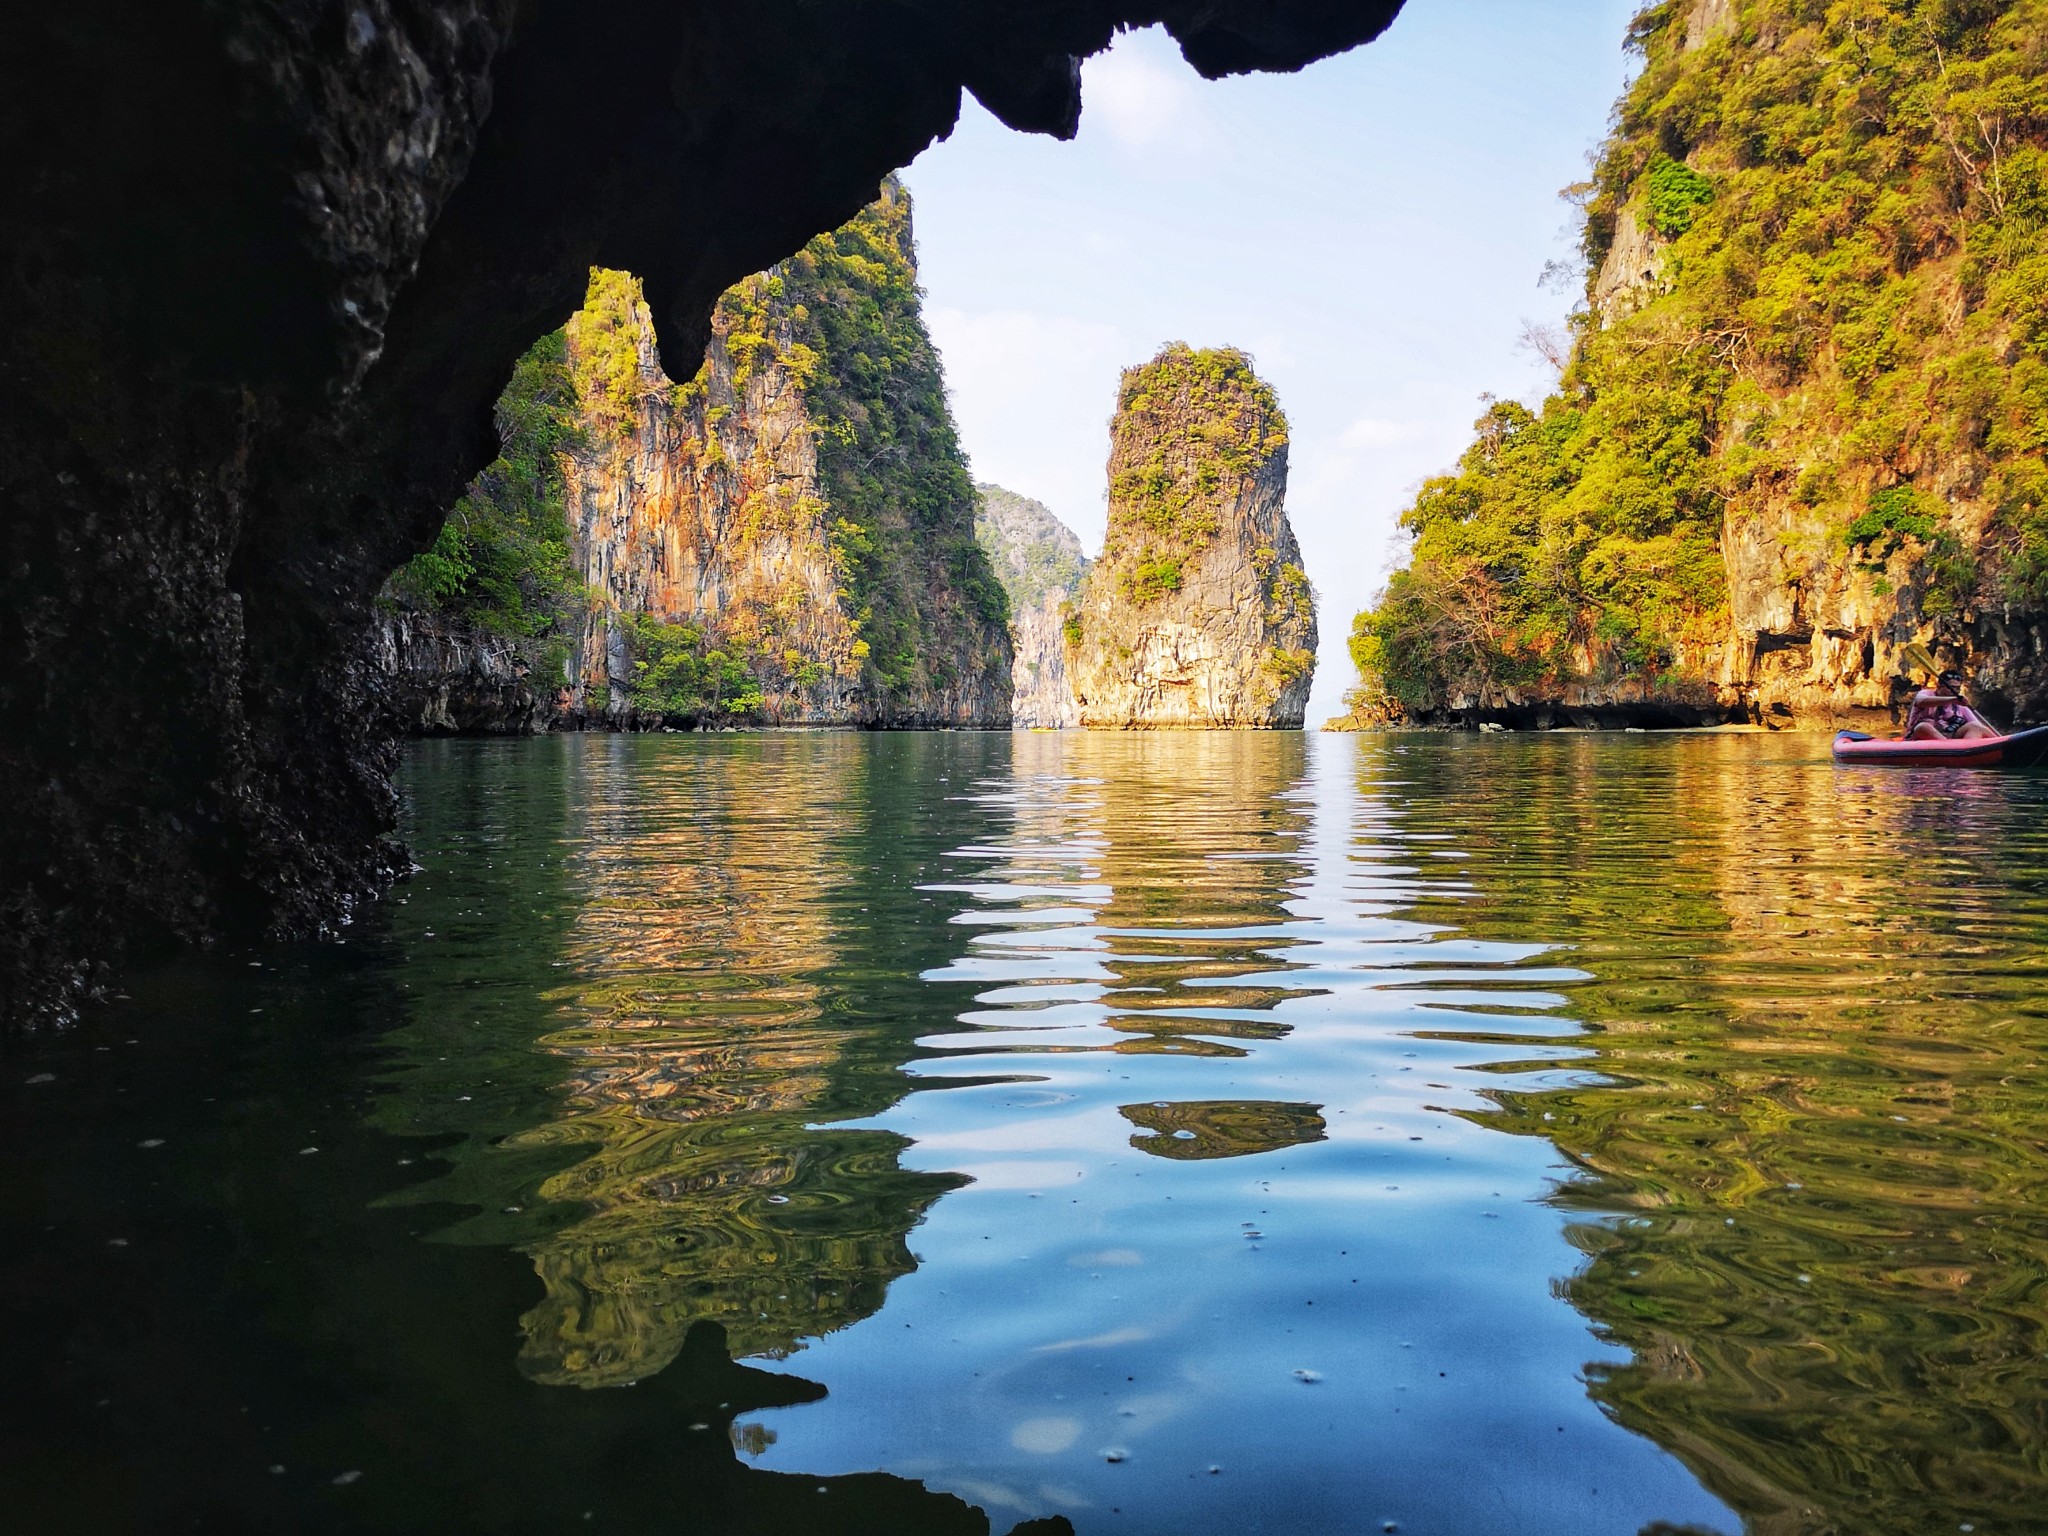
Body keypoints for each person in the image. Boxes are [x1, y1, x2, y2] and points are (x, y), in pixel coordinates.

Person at [1903, 670, 1998, 740]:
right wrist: (1952, 700)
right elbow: (1921, 702)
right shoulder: (1926, 694)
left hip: (1950, 737)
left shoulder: (1960, 706)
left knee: (1975, 727)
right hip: (1921, 736)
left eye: (1957, 688)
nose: (1955, 691)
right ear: (1939, 687)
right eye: (1951, 688)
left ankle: (1999, 747)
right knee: (1923, 726)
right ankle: (1948, 747)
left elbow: (1977, 725)